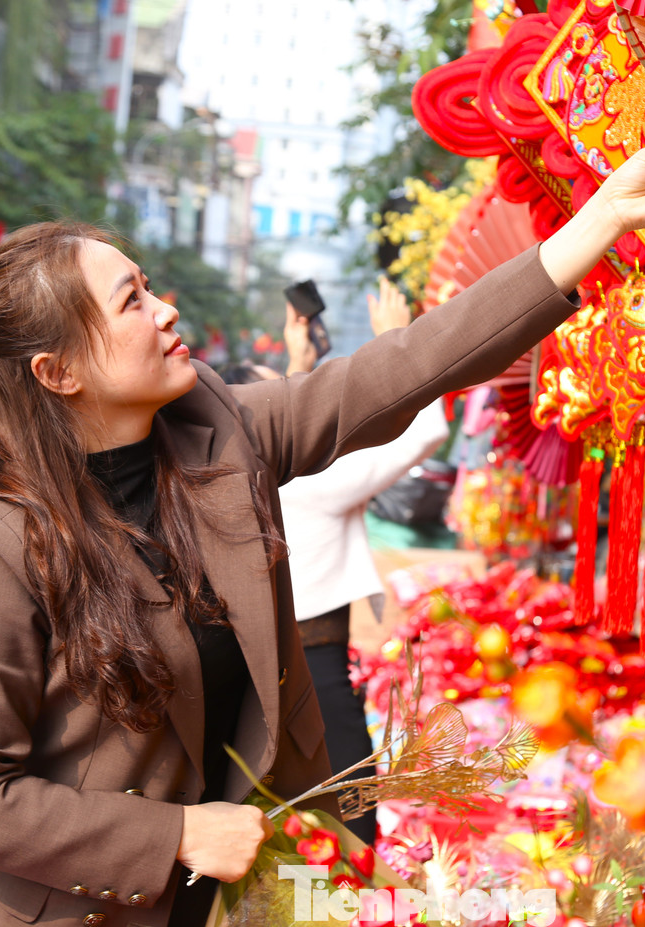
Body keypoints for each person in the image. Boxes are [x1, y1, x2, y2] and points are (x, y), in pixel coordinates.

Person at [0, 128, 645, 927]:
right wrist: (175, 832)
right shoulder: (0, 537)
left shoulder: (217, 431)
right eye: (133, 301)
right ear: (59, 372)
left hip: (242, 891)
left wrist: (602, 219)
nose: (167, 308)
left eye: (148, 284)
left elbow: (403, 367)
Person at [225, 278, 449, 845]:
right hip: (313, 664)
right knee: (351, 802)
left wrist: (298, 361)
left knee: (293, 806)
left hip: (270, 658)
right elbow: (427, 432)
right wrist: (398, 339)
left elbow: (284, 413)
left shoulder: (250, 474)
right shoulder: (307, 481)